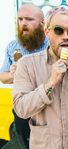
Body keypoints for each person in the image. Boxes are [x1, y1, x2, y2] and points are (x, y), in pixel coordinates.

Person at [12, 7, 68, 149]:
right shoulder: (27, 64)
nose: (66, 36)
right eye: (59, 30)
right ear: (47, 31)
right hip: (45, 144)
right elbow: (21, 109)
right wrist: (50, 83)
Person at [0, 4, 49, 149]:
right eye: (20, 19)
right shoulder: (12, 46)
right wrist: (13, 75)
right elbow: (2, 76)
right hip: (21, 111)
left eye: (29, 19)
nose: (24, 23)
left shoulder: (51, 45)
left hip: (46, 109)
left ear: (42, 23)